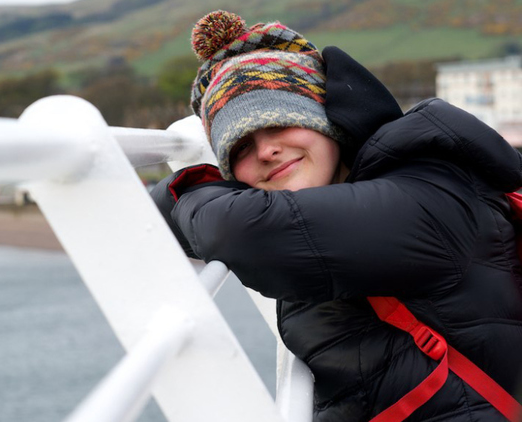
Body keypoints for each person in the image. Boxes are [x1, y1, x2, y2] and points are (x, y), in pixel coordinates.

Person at [151, 10, 522, 422]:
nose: (265, 151)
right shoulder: (341, 202)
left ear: (326, 120)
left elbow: (243, 232)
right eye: (239, 148)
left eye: (278, 122)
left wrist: (188, 190)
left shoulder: (423, 198)